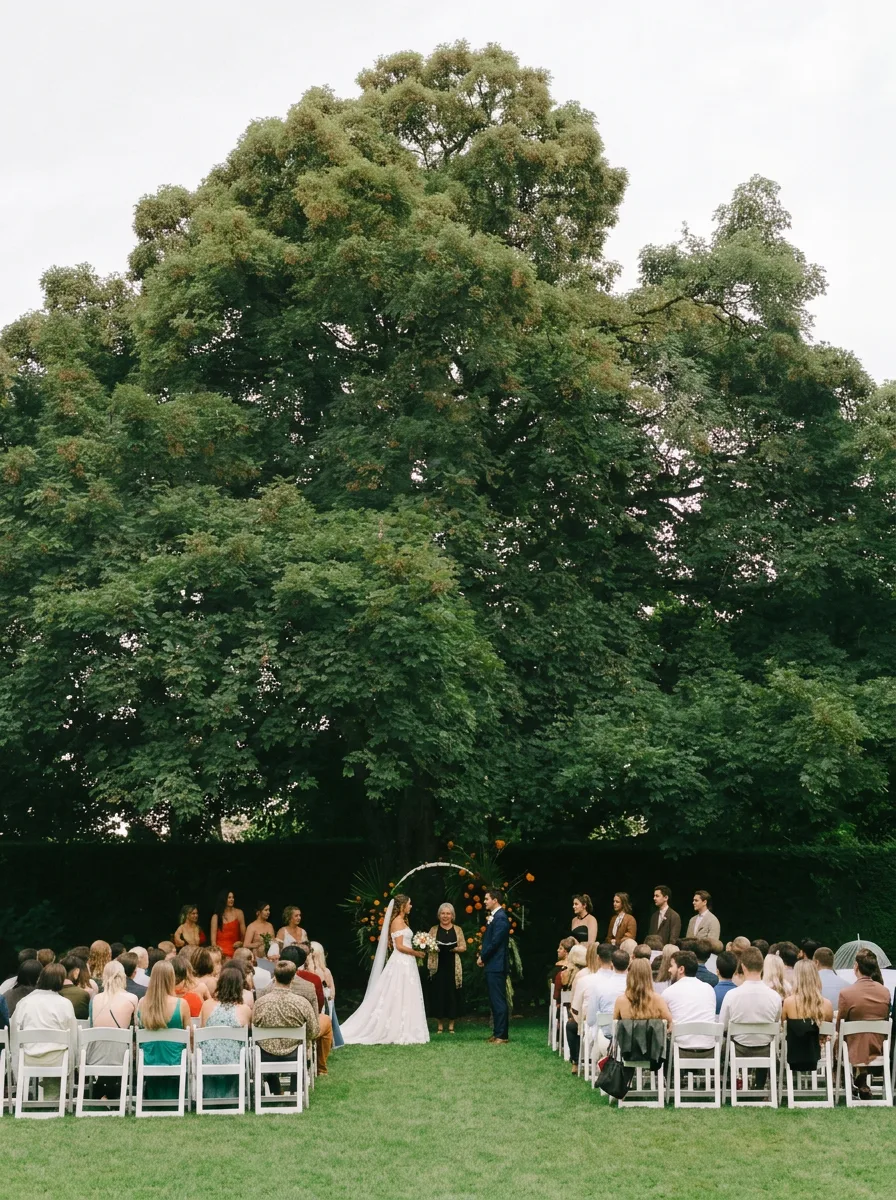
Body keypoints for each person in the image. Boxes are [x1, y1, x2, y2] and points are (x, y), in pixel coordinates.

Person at [341, 894, 430, 1045]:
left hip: (407, 962)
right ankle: (395, 1028)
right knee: (398, 992)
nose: (411, 906)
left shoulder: (402, 920)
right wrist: (416, 953)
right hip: (401, 962)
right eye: (409, 903)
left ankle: (406, 1027)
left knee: (406, 992)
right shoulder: (397, 921)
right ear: (402, 905)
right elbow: (400, 946)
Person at [10, 963, 78, 1100]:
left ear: (41, 978)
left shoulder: (25, 1002)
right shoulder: (65, 1004)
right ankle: (54, 1098)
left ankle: (40, 1097)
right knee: (66, 1048)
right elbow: (73, 1037)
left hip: (28, 1058)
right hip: (57, 1060)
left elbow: (14, 1033)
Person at [253, 960, 318, 1094]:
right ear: (293, 978)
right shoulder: (302, 1003)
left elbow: (254, 1025)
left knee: (263, 1045)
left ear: (274, 977)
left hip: (266, 1055)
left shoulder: (260, 1003)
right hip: (294, 1055)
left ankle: (275, 1089)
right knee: (303, 1046)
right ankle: (295, 1090)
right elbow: (313, 1031)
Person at [836, 949, 892, 1100]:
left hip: (852, 1049)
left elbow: (839, 1026)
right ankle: (860, 1079)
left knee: (842, 1040)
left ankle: (844, 1080)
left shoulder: (846, 993)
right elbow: (885, 1018)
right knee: (862, 1038)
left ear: (856, 966)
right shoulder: (885, 992)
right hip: (878, 1046)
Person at [136, 961, 190, 1100]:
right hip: (175, 1059)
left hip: (149, 1059)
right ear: (171, 979)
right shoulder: (182, 1004)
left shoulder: (142, 1003)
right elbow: (190, 1037)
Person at [720, 947, 782, 1064]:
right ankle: (760, 1077)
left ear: (743, 967)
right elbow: (776, 1021)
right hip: (766, 1050)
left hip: (738, 1049)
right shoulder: (775, 996)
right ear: (762, 967)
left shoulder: (731, 995)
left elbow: (723, 1025)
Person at [86, 960, 137, 1100]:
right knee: (119, 1046)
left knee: (108, 1046)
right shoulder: (132, 998)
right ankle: (109, 1094)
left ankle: (103, 1093)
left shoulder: (95, 999)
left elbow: (92, 1025)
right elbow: (137, 1026)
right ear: (123, 976)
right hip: (121, 1056)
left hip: (95, 1055)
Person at [198, 965, 252, 1097]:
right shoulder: (244, 1009)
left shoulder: (207, 1005)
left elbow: (202, 1031)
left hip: (208, 1058)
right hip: (235, 1059)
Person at [782, 960, 833, 1071]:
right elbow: (826, 1033)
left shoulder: (788, 1003)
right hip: (818, 1056)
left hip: (793, 1055)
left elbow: (782, 1027)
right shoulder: (827, 1004)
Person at [663, 950, 716, 1053]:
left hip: (680, 1050)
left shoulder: (668, 992)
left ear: (681, 969)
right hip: (708, 1050)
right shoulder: (709, 989)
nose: (669, 970)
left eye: (671, 966)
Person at [427, 902, 466, 1034]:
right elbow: (426, 945)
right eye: (443, 913)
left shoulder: (458, 929)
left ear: (452, 915)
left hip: (453, 966)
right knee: (439, 993)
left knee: (452, 994)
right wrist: (434, 948)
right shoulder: (433, 929)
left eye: (448, 913)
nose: (445, 916)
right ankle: (439, 1025)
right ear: (439, 915)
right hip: (438, 966)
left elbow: (463, 947)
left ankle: (451, 1025)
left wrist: (455, 949)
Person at [478, 889, 511, 1045]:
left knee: (498, 1000)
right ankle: (497, 1033)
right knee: (494, 1000)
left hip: (497, 965)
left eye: (487, 899)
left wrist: (483, 956)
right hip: (493, 964)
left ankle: (502, 1035)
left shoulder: (501, 918)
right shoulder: (496, 917)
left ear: (495, 900)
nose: (484, 901)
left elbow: (495, 942)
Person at [565, 942, 599, 1073]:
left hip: (587, 1019)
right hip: (609, 1021)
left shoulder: (581, 975)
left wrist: (577, 1017)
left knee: (571, 1025)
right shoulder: (611, 974)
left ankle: (575, 1061)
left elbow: (574, 1002)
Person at [614, 957, 673, 1029]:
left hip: (628, 1036)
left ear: (629, 975)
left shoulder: (620, 1001)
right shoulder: (658, 1000)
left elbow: (615, 1027)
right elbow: (670, 1024)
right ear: (649, 976)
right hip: (652, 1036)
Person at [308, 940, 343, 1048]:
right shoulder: (313, 970)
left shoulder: (324, 971)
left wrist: (331, 996)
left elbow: (331, 986)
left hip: (325, 998)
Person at [210, 890, 246, 960]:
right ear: (223, 899)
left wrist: (241, 943)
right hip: (221, 952)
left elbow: (244, 935)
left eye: (233, 897)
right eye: (229, 897)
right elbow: (213, 942)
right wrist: (218, 952)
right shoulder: (216, 917)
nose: (232, 899)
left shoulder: (239, 913)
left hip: (236, 950)